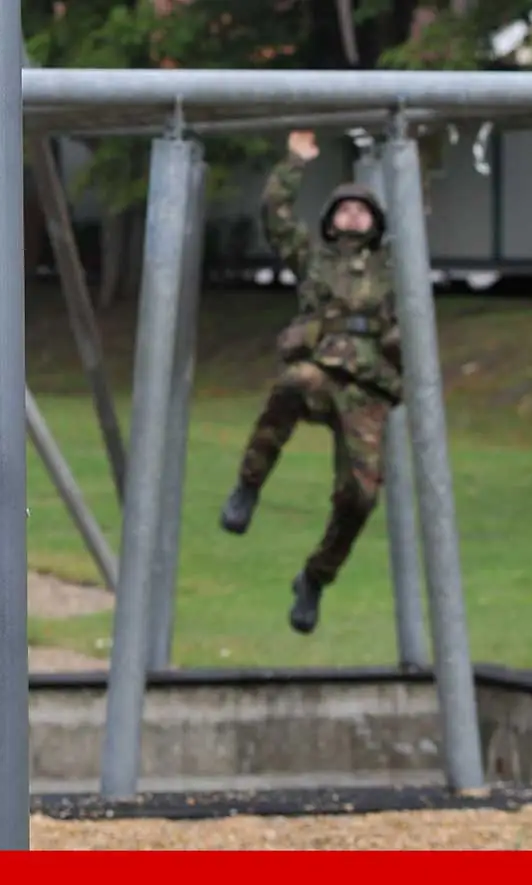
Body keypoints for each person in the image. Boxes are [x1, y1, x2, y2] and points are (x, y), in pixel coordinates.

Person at [218, 129, 405, 637]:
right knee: (293, 383)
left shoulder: (393, 267)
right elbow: (276, 216)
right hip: (323, 370)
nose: (352, 217)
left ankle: (315, 577)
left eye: (362, 211)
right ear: (330, 220)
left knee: (359, 498)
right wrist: (294, 162)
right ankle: (248, 485)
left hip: (368, 389)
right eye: (344, 210)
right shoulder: (314, 258)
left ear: (376, 222)